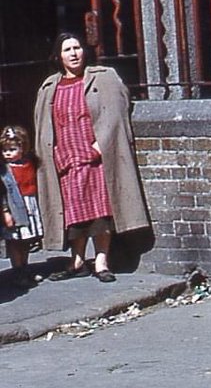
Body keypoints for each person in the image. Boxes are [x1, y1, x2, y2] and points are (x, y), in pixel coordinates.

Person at [34, 33, 150, 283]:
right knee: (74, 211)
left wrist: (99, 146)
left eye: (77, 48)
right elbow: (45, 125)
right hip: (65, 159)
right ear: (58, 56)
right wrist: (53, 153)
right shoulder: (50, 87)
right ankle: (76, 261)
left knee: (100, 211)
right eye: (67, 50)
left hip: (96, 156)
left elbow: (116, 112)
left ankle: (101, 261)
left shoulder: (103, 78)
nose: (74, 53)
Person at [1, 125, 43, 288]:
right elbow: (3, 194)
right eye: (5, 150)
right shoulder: (4, 170)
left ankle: (25, 267)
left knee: (26, 240)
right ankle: (17, 269)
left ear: (23, 148)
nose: (8, 153)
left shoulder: (29, 163)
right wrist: (5, 212)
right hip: (13, 207)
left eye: (12, 149)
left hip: (29, 204)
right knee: (14, 240)